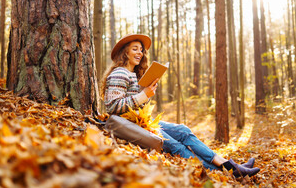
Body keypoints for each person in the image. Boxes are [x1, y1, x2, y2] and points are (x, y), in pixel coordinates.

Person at [100, 34, 260, 177]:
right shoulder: (119, 73)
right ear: (125, 52)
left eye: (141, 50)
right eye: (134, 49)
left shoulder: (133, 75)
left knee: (184, 131)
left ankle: (229, 165)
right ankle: (225, 172)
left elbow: (136, 103)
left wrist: (147, 93)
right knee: (177, 146)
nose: (139, 53)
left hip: (142, 122)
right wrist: (143, 95)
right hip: (131, 127)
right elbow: (112, 106)